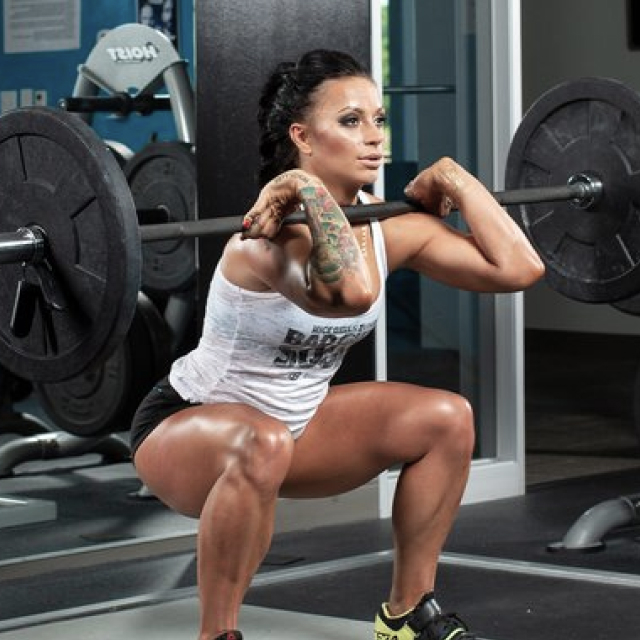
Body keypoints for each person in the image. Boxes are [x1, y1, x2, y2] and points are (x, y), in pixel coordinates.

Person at [130, 49, 545, 640]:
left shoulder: (387, 226)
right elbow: (350, 293)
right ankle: (216, 634)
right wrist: (301, 187)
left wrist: (455, 177)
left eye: (379, 119)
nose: (374, 137)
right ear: (302, 137)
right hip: (188, 428)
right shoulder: (265, 239)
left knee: (447, 418)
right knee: (262, 440)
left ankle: (406, 615)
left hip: (295, 429)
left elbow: (520, 269)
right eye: (350, 121)